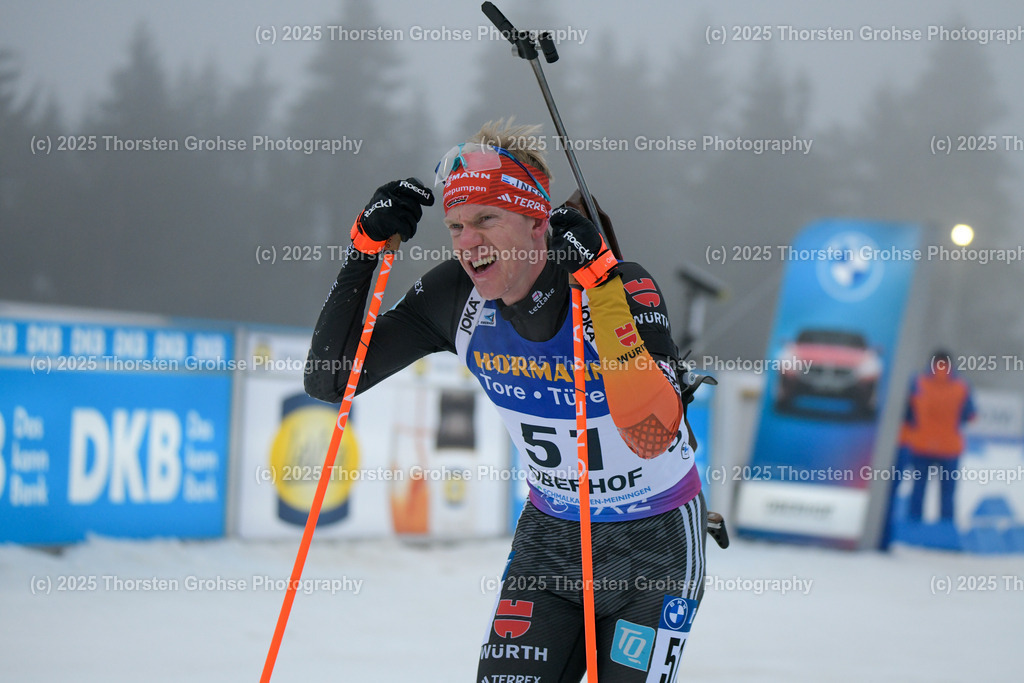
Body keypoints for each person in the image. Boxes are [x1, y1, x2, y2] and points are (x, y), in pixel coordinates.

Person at [304, 120, 706, 682]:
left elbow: (652, 432)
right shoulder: (454, 297)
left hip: (655, 542)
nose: (468, 242)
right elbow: (330, 379)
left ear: (537, 224)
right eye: (456, 226)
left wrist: (601, 288)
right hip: (551, 536)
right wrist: (364, 250)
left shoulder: (620, 283)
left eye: (487, 219)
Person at [901, 349, 976, 523]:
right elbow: (970, 415)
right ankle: (945, 529)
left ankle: (913, 526)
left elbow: (907, 414)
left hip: (920, 445)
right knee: (947, 493)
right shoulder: (962, 386)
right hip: (950, 448)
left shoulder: (917, 382)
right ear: (951, 364)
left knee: (918, 490)